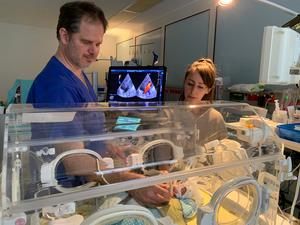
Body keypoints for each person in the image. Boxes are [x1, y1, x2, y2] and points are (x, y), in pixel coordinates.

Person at [27, 1, 171, 207]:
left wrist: (108, 146)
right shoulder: (57, 86)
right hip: (64, 193)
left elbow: (85, 130)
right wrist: (129, 182)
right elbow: (75, 163)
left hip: (88, 182)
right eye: (86, 42)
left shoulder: (78, 73)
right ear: (64, 35)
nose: (94, 51)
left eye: (98, 44)